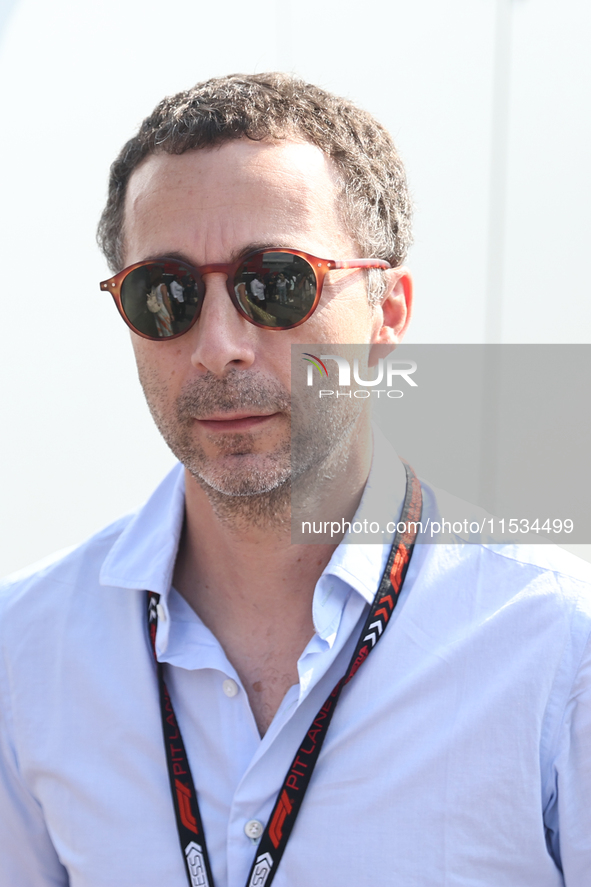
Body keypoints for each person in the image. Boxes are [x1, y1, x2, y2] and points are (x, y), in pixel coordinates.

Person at [0, 72, 589, 887]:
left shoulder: (558, 645)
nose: (217, 346)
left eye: (273, 284)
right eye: (163, 294)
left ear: (386, 314)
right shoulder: (24, 652)